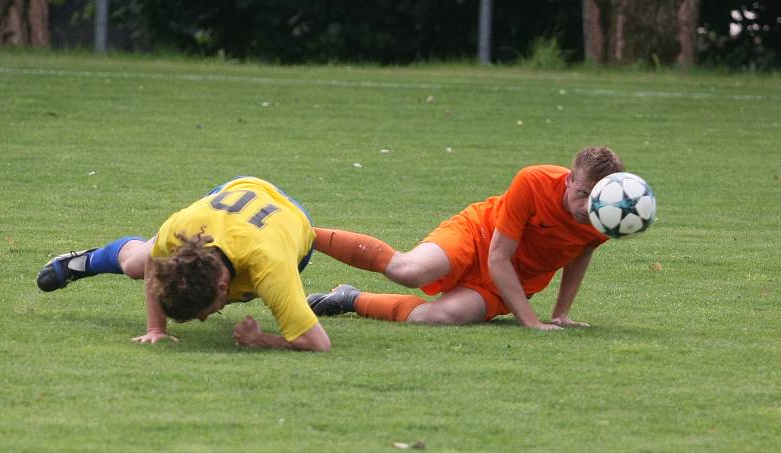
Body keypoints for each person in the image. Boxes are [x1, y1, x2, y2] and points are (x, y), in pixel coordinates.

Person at [307, 146, 624, 330]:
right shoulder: (534, 181)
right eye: (582, 193)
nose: (586, 207)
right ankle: (304, 232)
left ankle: (350, 299)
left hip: (509, 283)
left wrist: (560, 315)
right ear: (569, 180)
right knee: (409, 272)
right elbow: (498, 255)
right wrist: (531, 322)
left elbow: (581, 254)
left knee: (437, 318)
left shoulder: (608, 215)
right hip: (478, 235)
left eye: (595, 198)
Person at [37, 176, 330, 351]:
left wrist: (260, 339)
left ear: (223, 287)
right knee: (134, 266)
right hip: (232, 194)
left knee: (267, 281)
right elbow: (154, 264)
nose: (202, 320)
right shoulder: (181, 228)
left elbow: (318, 343)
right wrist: (156, 329)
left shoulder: (271, 268)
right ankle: (85, 261)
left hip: (288, 215)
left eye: (202, 313)